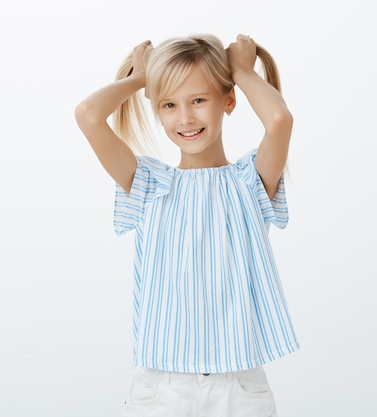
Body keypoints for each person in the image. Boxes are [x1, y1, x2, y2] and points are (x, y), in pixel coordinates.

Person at [74, 34, 300, 417]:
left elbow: (279, 120)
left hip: (238, 384)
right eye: (169, 104)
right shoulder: (148, 184)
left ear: (228, 101)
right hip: (162, 388)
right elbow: (88, 115)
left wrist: (241, 71)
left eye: (198, 99)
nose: (186, 118)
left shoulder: (249, 181)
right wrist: (144, 77)